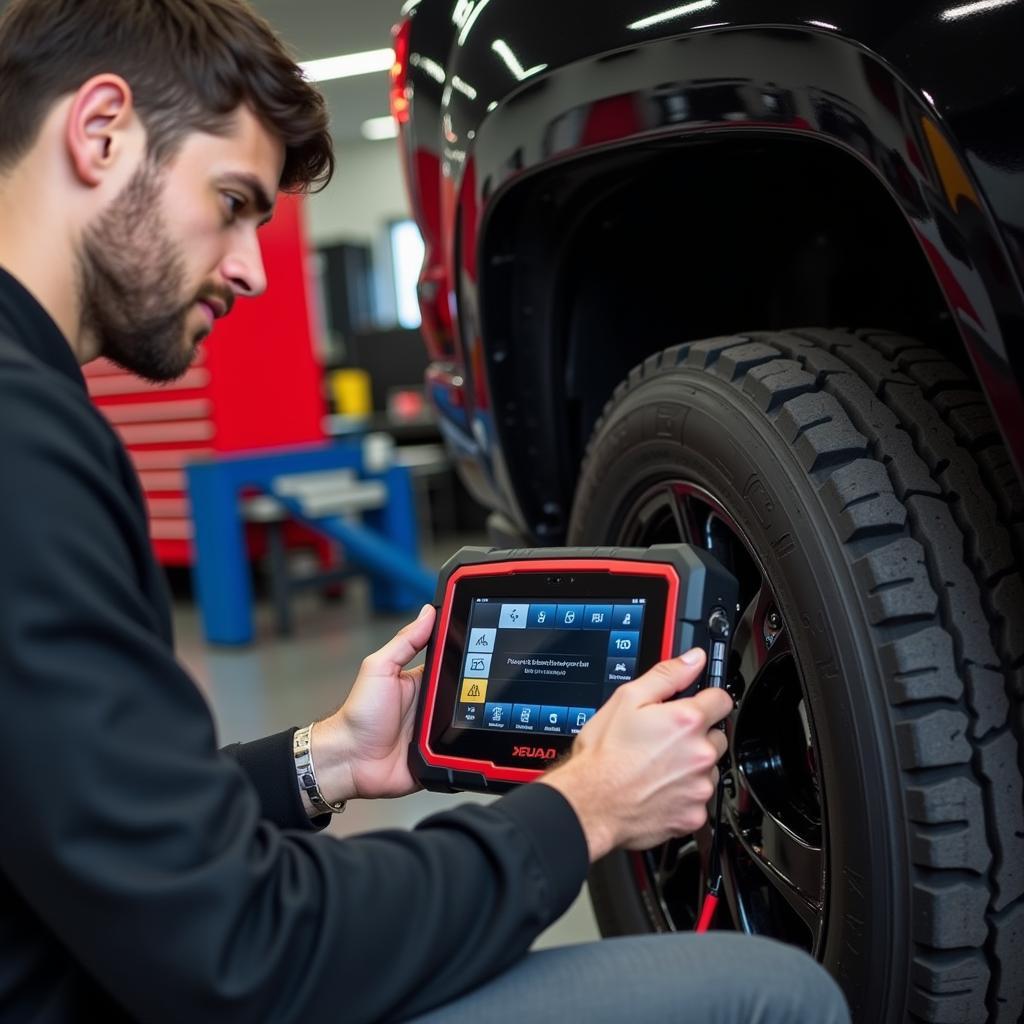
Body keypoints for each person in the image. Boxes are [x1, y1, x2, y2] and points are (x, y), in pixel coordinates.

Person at [0, 1, 851, 1022]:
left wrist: (324, 762)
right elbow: (241, 949)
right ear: (100, 132)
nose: (254, 270)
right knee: (772, 995)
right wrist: (576, 811)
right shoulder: (28, 444)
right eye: (232, 202)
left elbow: (81, 813)